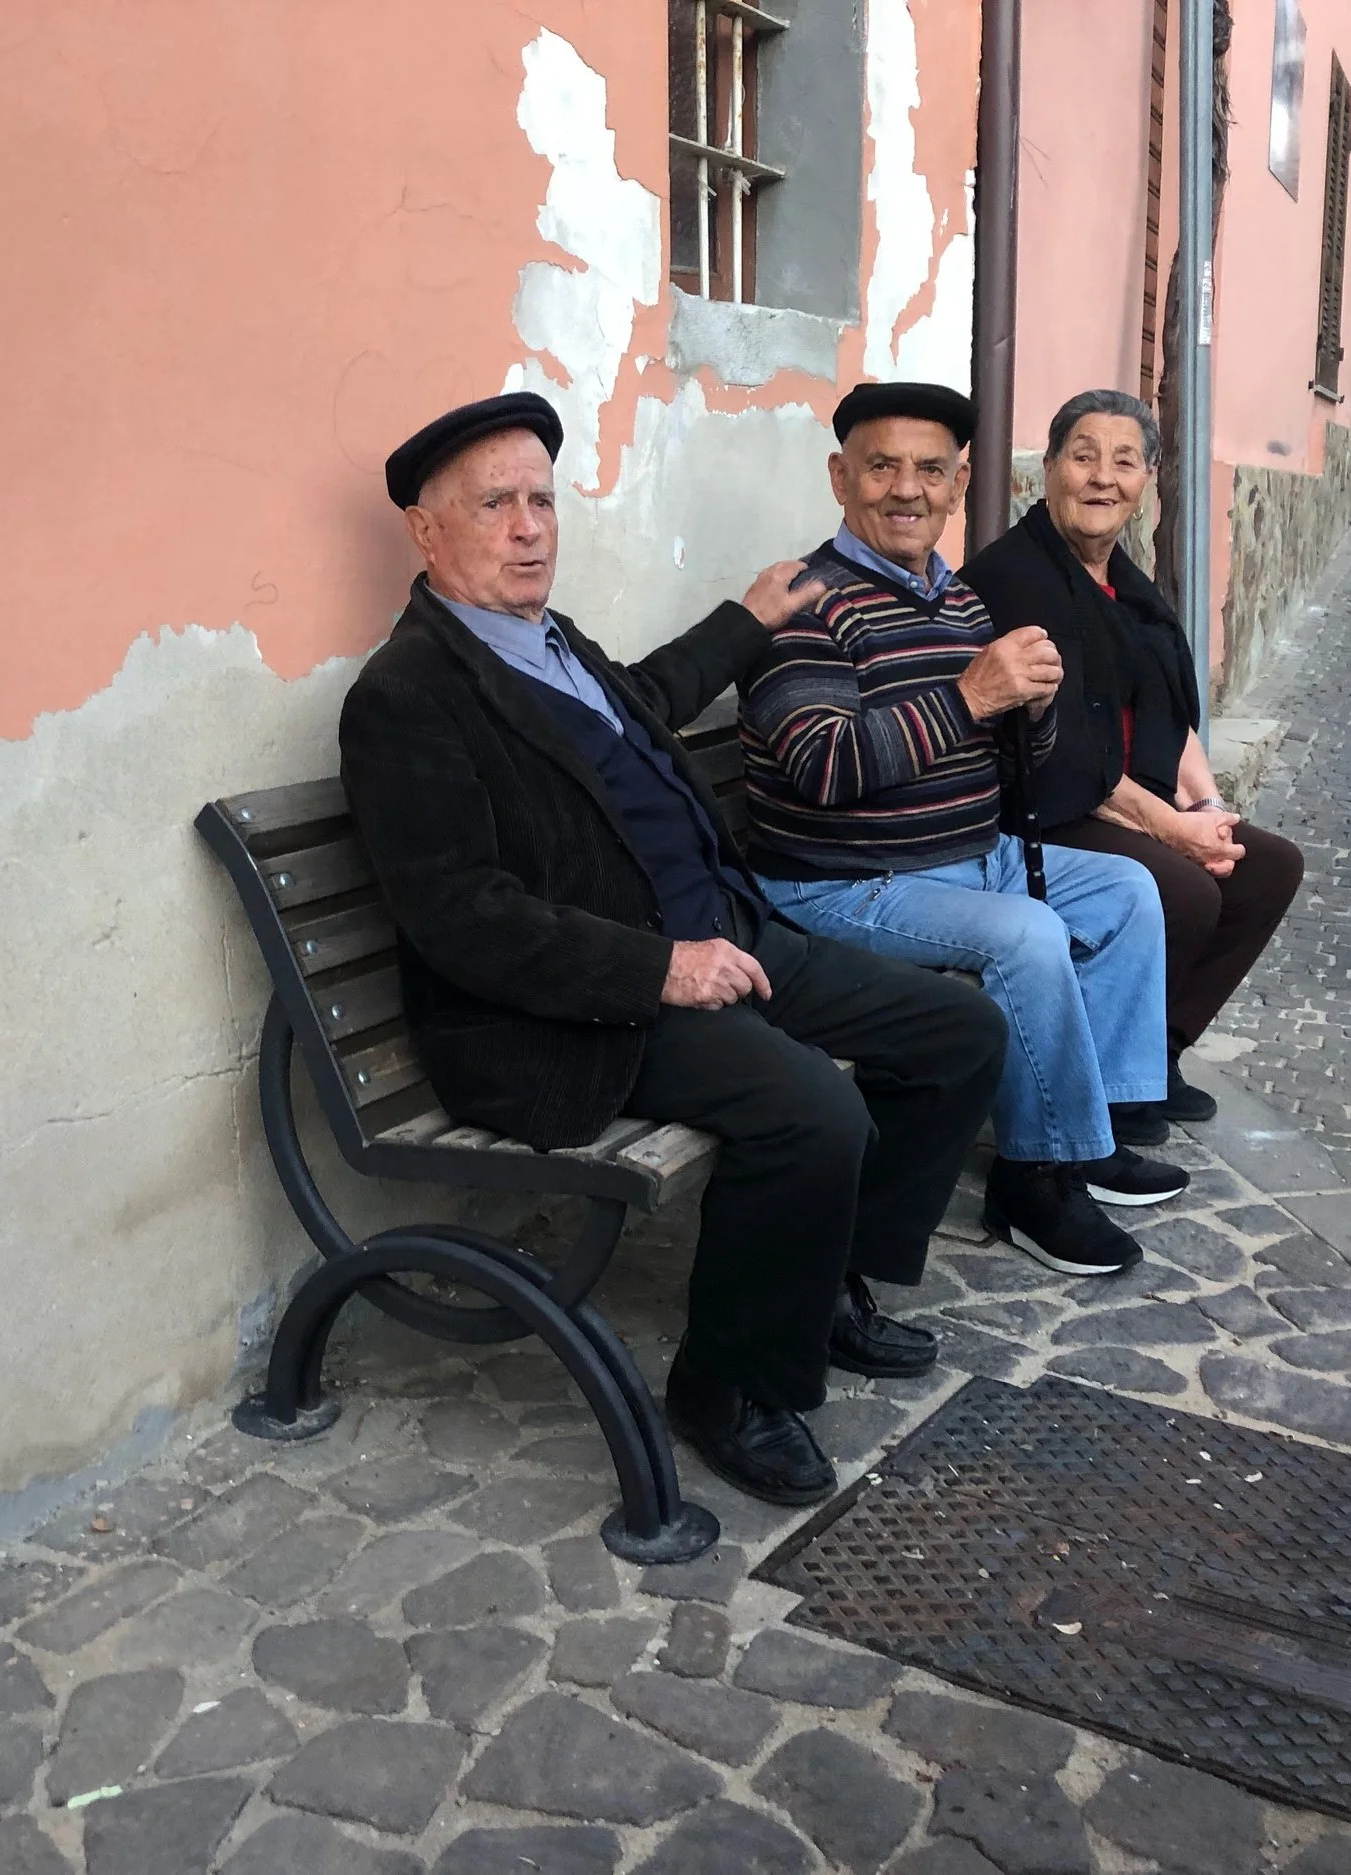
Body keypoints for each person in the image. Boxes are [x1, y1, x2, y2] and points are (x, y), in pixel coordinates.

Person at [338, 392, 1007, 1508]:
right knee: (813, 1112)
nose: (528, 528)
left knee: (957, 1030)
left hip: (715, 934)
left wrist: (743, 622)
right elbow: (461, 915)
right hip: (576, 1010)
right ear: (425, 529)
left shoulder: (549, 644)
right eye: (494, 505)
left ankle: (831, 1282)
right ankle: (727, 1388)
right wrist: (660, 970)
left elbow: (639, 706)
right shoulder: (407, 695)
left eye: (540, 501)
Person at [737, 380, 1186, 1282]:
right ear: (841, 477)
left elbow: (1008, 755)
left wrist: (1034, 706)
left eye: (931, 471)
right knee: (1027, 934)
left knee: (1129, 889)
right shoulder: (803, 606)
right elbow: (825, 768)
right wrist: (972, 695)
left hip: (960, 861)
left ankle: (1098, 1128)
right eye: (882, 467)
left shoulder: (958, 602)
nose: (908, 489)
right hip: (839, 882)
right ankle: (1034, 1180)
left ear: (959, 483)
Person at [963, 390, 1303, 1137]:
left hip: (1117, 796)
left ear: (1148, 477)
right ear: (1048, 469)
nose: (1102, 478)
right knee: (1184, 889)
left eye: (1124, 461)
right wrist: (1171, 831)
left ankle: (1159, 1050)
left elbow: (1164, 709)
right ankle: (1109, 1085)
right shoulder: (1018, 577)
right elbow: (1067, 752)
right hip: (1039, 805)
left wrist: (1206, 805)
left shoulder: (1126, 582)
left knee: (1268, 864)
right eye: (1083, 456)